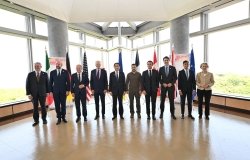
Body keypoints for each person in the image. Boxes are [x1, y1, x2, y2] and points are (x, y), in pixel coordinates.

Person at [26, 62, 49, 126]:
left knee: (43, 107)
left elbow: (47, 84)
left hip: (43, 93)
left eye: (38, 66)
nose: (37, 67)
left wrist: (47, 92)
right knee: (35, 107)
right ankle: (36, 120)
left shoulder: (45, 74)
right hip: (33, 94)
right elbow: (27, 85)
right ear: (34, 67)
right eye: (36, 66)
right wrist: (28, 94)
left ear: (41, 66)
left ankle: (44, 119)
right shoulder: (30, 74)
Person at [49, 60, 70, 125]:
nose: (58, 65)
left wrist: (68, 90)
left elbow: (68, 82)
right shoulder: (52, 72)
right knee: (57, 105)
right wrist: (50, 91)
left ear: (61, 65)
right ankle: (59, 118)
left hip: (64, 92)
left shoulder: (66, 72)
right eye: (57, 64)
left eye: (59, 64)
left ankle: (63, 117)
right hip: (55, 92)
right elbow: (50, 83)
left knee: (63, 105)